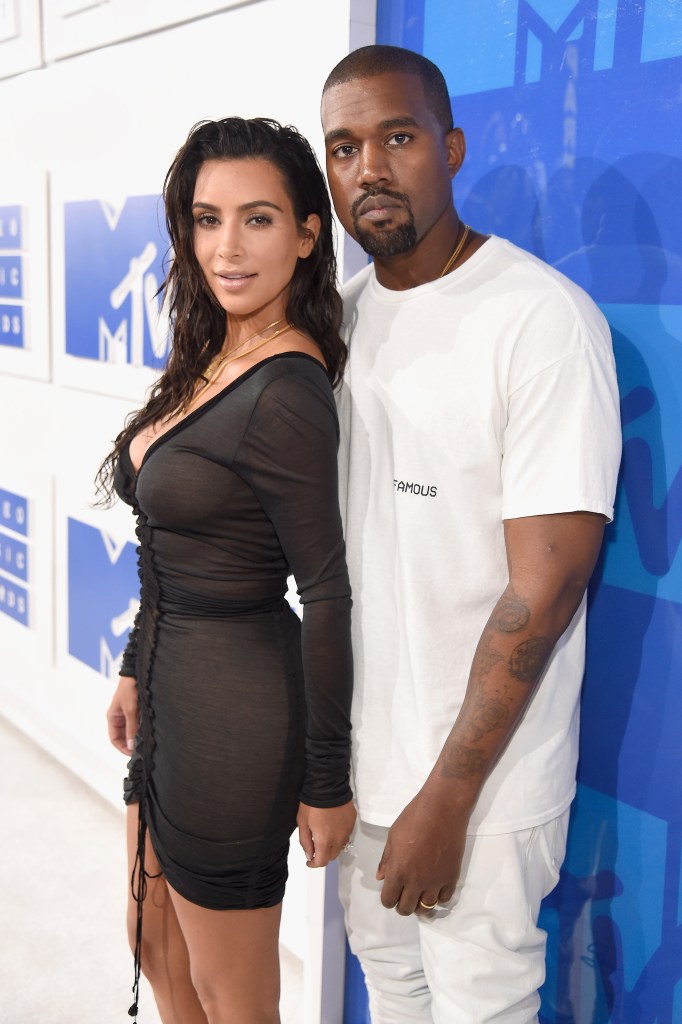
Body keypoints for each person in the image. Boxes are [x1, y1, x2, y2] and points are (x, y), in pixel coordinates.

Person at [320, 45, 621, 1023]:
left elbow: (544, 591)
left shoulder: (538, 320)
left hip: (479, 795)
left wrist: (446, 800)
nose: (368, 167)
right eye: (343, 147)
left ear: (450, 148)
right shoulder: (339, 321)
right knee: (393, 994)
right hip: (362, 768)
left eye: (396, 137)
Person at [98, 116, 356, 1024]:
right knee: (154, 941)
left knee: (230, 990)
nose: (227, 247)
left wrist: (327, 780)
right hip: (171, 685)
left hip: (238, 716)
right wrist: (136, 662)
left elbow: (324, 591)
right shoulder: (212, 349)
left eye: (258, 219)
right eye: (208, 219)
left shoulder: (287, 390)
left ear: (306, 233)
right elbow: (172, 549)